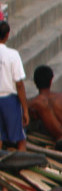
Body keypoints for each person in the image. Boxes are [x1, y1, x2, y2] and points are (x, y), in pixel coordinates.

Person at [0, 22, 27, 151]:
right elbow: (20, 84)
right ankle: (23, 165)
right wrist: (25, 110)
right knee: (20, 137)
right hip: (9, 100)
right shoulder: (13, 55)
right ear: (7, 35)